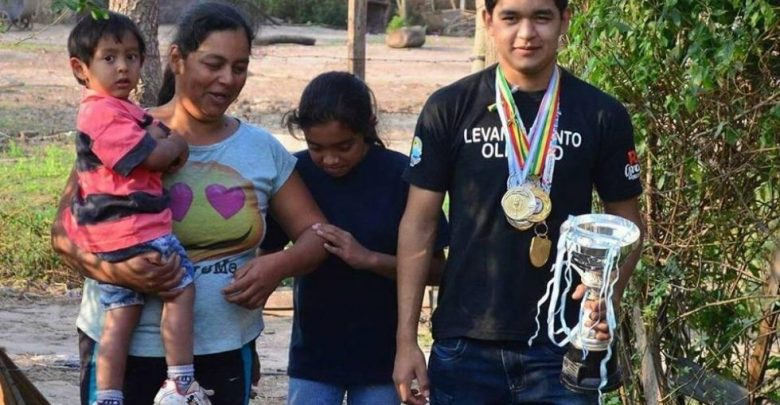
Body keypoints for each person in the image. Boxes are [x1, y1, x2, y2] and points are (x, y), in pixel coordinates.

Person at [52, 3, 328, 404]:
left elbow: (316, 236)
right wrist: (115, 269)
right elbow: (63, 234)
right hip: (120, 356)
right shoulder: (120, 131)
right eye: (213, 64)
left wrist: (278, 265)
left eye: (239, 67)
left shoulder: (261, 150)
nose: (227, 80)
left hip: (221, 353)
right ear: (178, 59)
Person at [392, 0, 644, 404]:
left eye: (542, 17)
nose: (526, 33)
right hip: (464, 345)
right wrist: (406, 340)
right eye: (511, 17)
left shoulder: (601, 114)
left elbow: (628, 227)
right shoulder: (449, 108)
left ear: (564, 19)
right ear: (488, 21)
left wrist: (605, 300)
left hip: (562, 345)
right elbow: (418, 226)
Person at [260, 71, 448, 405]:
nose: (330, 160)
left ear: (368, 128)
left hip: (382, 359)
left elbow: (438, 270)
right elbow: (266, 257)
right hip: (314, 358)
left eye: (344, 146)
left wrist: (369, 259)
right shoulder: (296, 174)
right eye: (316, 147)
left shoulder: (400, 177)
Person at [65, 12, 205, 405]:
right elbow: (157, 154)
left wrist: (163, 142)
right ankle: (180, 383)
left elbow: (156, 133)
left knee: (119, 318)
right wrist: (174, 147)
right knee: (181, 288)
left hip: (112, 240)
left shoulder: (122, 109)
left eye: (131, 56)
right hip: (137, 232)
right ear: (81, 68)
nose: (123, 67)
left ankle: (108, 397)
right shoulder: (100, 113)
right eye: (109, 58)